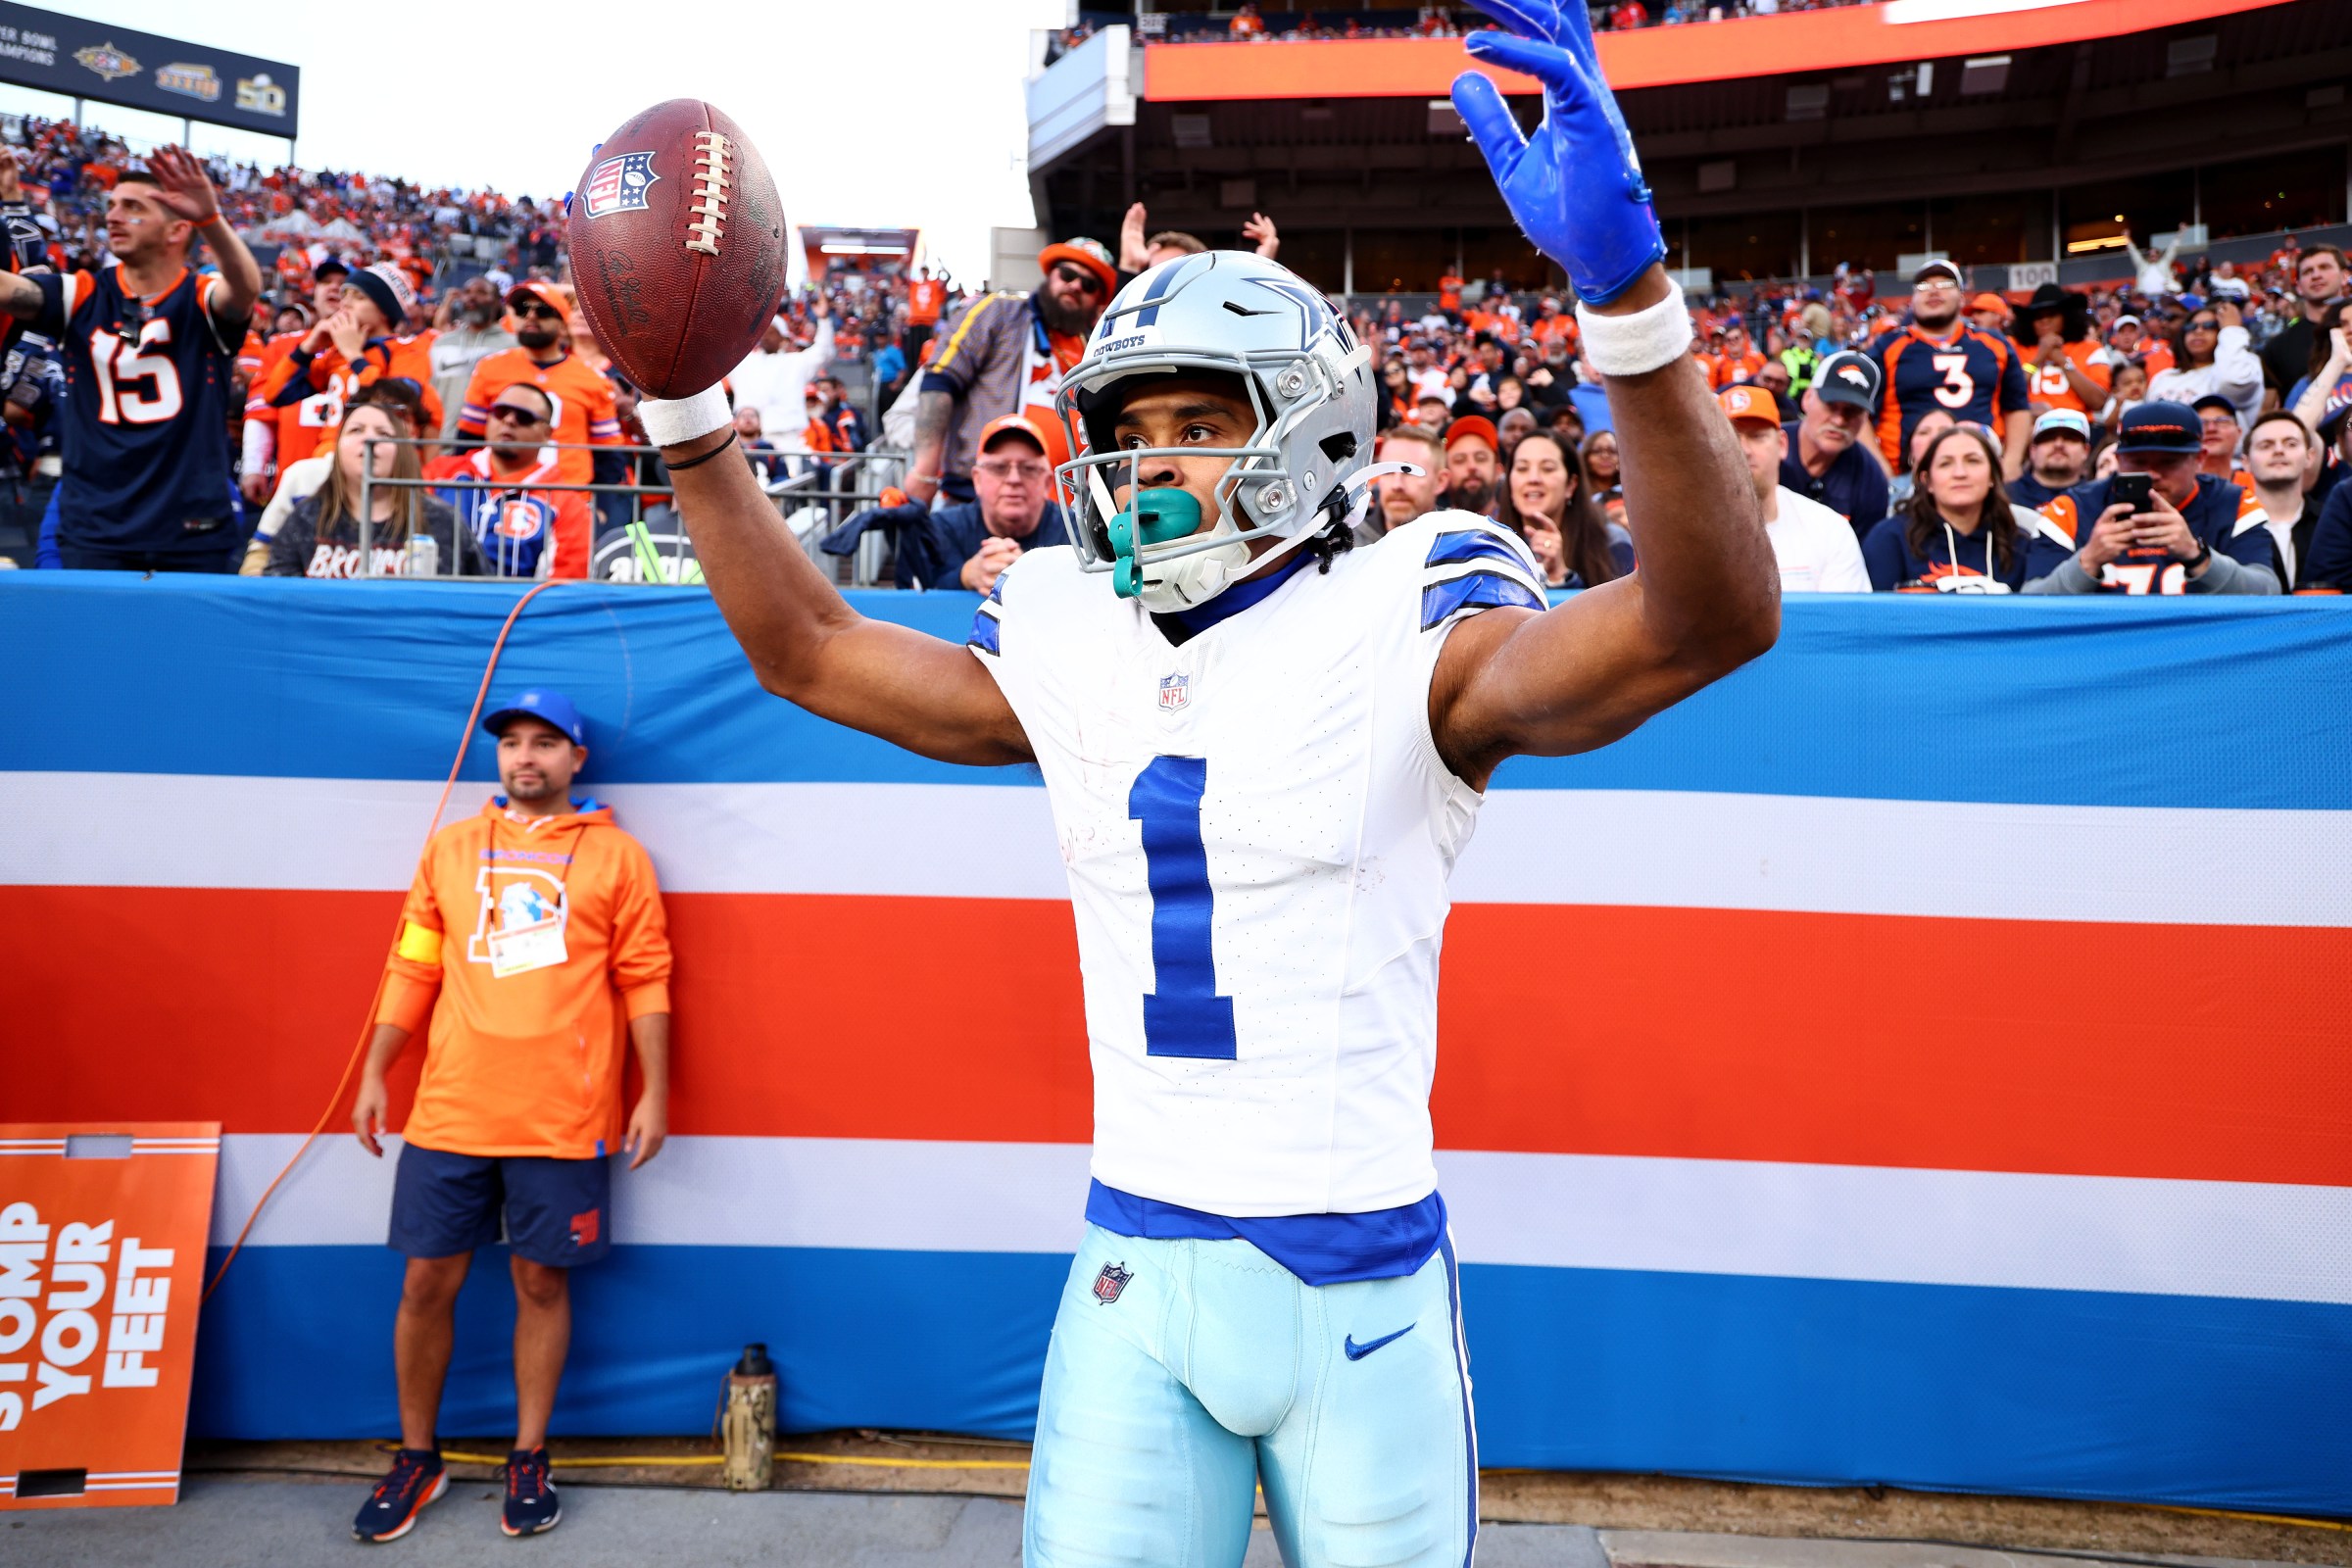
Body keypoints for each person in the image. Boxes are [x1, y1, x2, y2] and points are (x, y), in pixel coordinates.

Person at [629, 3, 1775, 1555]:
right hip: (1134, 1265)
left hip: (1359, 1292)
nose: (1151, 459)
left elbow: (1707, 620)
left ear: (1309, 433)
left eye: (1197, 421)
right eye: (1133, 426)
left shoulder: (1414, 615)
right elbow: (811, 649)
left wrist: (1628, 300)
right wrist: (687, 411)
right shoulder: (1069, 627)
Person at [349, 691, 671, 1544]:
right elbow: (413, 964)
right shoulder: (452, 850)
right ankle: (418, 1458)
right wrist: (376, 1069)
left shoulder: (619, 858)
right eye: (512, 743)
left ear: (576, 759)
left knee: (541, 1283)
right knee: (426, 1284)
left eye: (545, 743)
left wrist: (655, 1090)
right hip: (450, 1110)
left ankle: (529, 1456)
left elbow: (646, 976)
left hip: (563, 1115)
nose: (525, 757)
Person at [0, 150, 261, 569]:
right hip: (96, 528)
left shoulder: (200, 298)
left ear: (177, 229)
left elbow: (245, 289)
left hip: (190, 530)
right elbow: (10, 289)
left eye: (133, 208)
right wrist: (11, 202)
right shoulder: (81, 294)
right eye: (113, 205)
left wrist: (211, 220)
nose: (114, 216)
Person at [909, 237, 1114, 506]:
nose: (1075, 285)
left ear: (1098, 299)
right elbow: (940, 381)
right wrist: (924, 471)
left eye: (1088, 284)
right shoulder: (999, 312)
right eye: (1067, 274)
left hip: (1067, 513)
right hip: (979, 502)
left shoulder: (1093, 348)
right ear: (1050, 275)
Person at [2022, 400, 2278, 595]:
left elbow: (2268, 591)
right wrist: (2088, 561)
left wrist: (2197, 556)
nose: (2153, 474)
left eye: (2168, 462)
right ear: (2119, 459)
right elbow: (2030, 601)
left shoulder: (2234, 503)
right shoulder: (2072, 508)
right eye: (2138, 462)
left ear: (2199, 459)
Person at [267, 400, 482, 578]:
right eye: (356, 430)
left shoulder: (442, 521)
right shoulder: (305, 518)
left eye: (384, 434)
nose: (369, 440)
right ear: (338, 448)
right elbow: (276, 596)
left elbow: (481, 597)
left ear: (402, 450)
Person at [241, 379, 431, 574]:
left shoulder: (433, 494)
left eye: (392, 423)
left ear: (415, 433)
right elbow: (260, 554)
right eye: (359, 428)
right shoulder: (304, 479)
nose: (370, 438)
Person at [1867, 259, 2031, 479]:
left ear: (1962, 298)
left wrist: (2011, 461)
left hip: (1982, 471)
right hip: (1906, 475)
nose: (1933, 290)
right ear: (1912, 299)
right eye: (1924, 286)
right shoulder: (1887, 347)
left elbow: (2016, 406)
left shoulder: (1994, 344)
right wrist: (1880, 467)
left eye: (1945, 284)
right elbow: (1859, 413)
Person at [254, 263, 443, 446]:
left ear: (384, 311)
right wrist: (307, 349)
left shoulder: (407, 348)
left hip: (372, 453)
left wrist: (354, 356)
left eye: (359, 297)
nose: (345, 303)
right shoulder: (336, 352)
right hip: (329, 452)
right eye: (345, 295)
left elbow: (398, 404)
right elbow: (275, 395)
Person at [458, 281, 622, 486]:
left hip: (570, 495)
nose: (531, 316)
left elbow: (608, 456)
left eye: (543, 311)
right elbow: (468, 441)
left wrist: (600, 503)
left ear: (563, 324)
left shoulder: (593, 378)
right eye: (522, 309)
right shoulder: (489, 368)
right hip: (498, 493)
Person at [424, 381, 592, 578]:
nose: (509, 420)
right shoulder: (440, 473)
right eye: (500, 412)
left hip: (518, 597)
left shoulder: (566, 504)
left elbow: (565, 580)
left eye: (524, 417)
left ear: (547, 434)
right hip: (437, 592)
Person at [1722, 385, 1869, 593]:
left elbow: (1844, 613)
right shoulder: (1687, 535)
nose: (1744, 450)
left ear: (1782, 444)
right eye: (1731, 437)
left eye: (1757, 436)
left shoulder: (1829, 530)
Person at [1861, 423, 2027, 592]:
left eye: (1973, 461)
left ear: (1992, 476)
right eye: (1945, 464)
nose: (1960, 473)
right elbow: (1875, 607)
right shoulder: (1889, 539)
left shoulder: (2020, 545)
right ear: (1927, 481)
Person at [1496, 425, 1629, 589]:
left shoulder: (1613, 541)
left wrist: (1561, 576)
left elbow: (1620, 605)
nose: (1533, 478)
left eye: (1547, 468)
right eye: (1522, 468)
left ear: (1571, 485)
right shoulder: (1488, 545)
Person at [1777, 349, 1888, 538]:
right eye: (1831, 405)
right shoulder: (1766, 448)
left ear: (1865, 418)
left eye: (1853, 411)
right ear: (1807, 398)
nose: (1839, 420)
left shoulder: (1870, 479)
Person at [724, 296, 834, 457]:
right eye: (763, 333)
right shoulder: (745, 362)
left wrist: (823, 320)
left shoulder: (795, 362)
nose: (766, 337)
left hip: (788, 438)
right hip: (747, 437)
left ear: (784, 338)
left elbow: (824, 352)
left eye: (772, 333)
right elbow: (723, 350)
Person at [2145, 300, 2261, 430]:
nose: (2198, 331)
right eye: (2191, 327)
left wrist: (2232, 329)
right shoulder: (2163, 377)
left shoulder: (2244, 366)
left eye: (2209, 326)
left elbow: (2233, 380)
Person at [428, 275, 515, 440]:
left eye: (481, 292)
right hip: (439, 441)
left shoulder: (513, 347)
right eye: (467, 292)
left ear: (497, 302)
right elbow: (431, 393)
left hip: (488, 443)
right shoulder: (441, 343)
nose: (472, 297)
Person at [2242, 411, 2323, 589]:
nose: (2279, 451)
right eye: (2266, 446)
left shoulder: (2332, 522)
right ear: (2246, 462)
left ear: (2310, 456)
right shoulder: (2230, 527)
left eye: (2291, 444)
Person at [2259, 243, 2346, 399]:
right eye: (2307, 271)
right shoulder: (2278, 347)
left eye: (2324, 267)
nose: (2316, 275)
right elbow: (2268, 408)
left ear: (2345, 276)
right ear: (2298, 286)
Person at [2018, 283, 2110, 417]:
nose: (2045, 321)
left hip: (2077, 425)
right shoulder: (2018, 348)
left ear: (2067, 316)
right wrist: (2037, 359)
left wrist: (2063, 361)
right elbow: (2009, 395)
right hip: (2031, 424)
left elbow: (2098, 401)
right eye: (2038, 317)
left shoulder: (2091, 348)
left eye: (2052, 314)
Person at [2007, 408, 2093, 511]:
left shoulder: (2096, 499)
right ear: (2033, 450)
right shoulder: (2004, 496)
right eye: (2048, 438)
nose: (2058, 444)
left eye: (2070, 438)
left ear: (2086, 451)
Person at [1365, 424, 1442, 539]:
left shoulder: (1462, 542)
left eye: (1411, 472)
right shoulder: (1344, 544)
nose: (1397, 485)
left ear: (1440, 481)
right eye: (1387, 471)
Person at [1884, 407, 1954, 512]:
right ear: (1910, 452)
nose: (1934, 438)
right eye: (1923, 432)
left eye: (1944, 432)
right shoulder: (1885, 492)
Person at [1441, 415, 1501, 516]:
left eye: (1481, 458)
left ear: (1498, 471)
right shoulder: (1430, 525)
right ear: (1444, 476)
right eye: (1460, 460)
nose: (1472, 466)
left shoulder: (1518, 524)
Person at [1581, 427, 1624, 526]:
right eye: (1597, 451)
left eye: (1612, 451)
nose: (1605, 456)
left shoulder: (1631, 493)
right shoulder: (1578, 494)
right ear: (1586, 457)